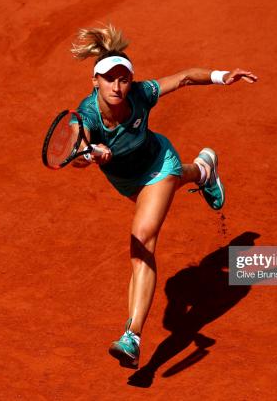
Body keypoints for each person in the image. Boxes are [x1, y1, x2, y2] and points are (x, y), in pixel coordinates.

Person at [69, 24, 257, 369]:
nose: (117, 85)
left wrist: (221, 76)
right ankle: (203, 170)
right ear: (95, 81)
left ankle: (132, 336)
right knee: (169, 190)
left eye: (123, 78)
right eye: (109, 79)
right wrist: (88, 153)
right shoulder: (85, 115)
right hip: (126, 182)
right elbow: (75, 153)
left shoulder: (141, 94)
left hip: (158, 164)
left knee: (142, 243)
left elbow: (184, 78)